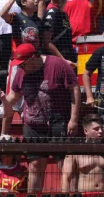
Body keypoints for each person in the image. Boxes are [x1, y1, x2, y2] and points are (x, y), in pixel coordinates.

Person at [5, 43, 82, 191]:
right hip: (32, 125)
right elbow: (14, 95)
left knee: (66, 166)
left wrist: (73, 119)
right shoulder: (21, 71)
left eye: (23, 64)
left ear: (33, 58)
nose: (20, 67)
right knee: (34, 166)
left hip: (58, 121)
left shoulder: (58, 65)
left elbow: (75, 89)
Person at [61, 114, 104, 195]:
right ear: (86, 131)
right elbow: (66, 177)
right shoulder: (75, 152)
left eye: (102, 128)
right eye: (96, 129)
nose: (100, 131)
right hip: (84, 195)